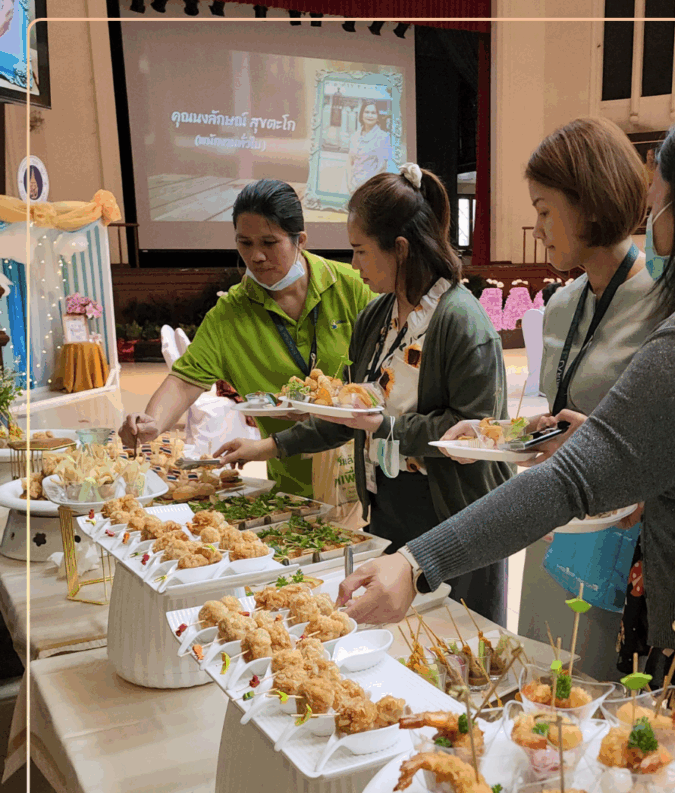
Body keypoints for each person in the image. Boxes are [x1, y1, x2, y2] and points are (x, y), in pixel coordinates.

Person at [338, 103, 675, 787]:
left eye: (660, 202)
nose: (652, 224)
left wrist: (418, 562)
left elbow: (571, 481)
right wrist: (616, 441)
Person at [217, 163, 512, 624]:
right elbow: (349, 413)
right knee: (393, 647)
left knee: (455, 659)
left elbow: (477, 438)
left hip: (455, 525)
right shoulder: (377, 316)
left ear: (400, 249)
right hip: (390, 511)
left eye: (359, 250)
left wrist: (387, 426)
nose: (352, 265)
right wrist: (268, 445)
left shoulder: (461, 322)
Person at [441, 116, 660, 678]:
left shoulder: (665, 302)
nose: (536, 227)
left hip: (621, 540)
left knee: (598, 692)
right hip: (556, 523)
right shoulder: (562, 305)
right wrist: (493, 435)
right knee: (539, 679)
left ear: (589, 203)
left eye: (544, 210)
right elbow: (556, 421)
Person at [119, 180, 375, 497]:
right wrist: (151, 424)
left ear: (300, 241)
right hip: (293, 483)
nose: (256, 256)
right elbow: (184, 382)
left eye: (269, 242)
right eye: (245, 242)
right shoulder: (230, 314)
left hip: (373, 471)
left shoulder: (352, 287)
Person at [345, 102, 393, 194]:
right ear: (362, 115)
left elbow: (382, 167)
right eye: (367, 112)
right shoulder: (355, 135)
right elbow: (350, 161)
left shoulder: (383, 137)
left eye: (373, 113)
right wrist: (349, 184)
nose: (370, 115)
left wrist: (366, 186)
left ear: (378, 117)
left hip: (370, 187)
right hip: (351, 185)